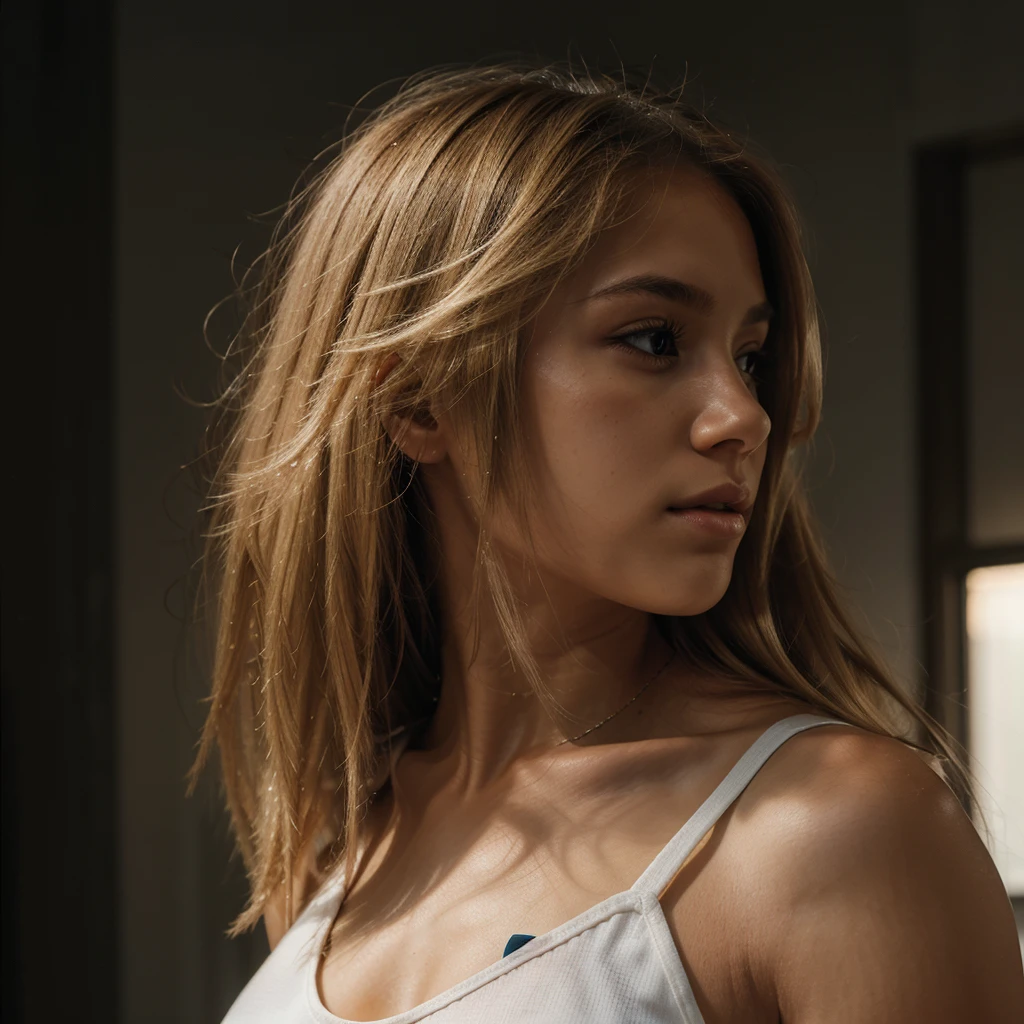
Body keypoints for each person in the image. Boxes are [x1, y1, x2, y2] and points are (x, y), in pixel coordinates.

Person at [192, 64, 1024, 1023]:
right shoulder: (348, 849)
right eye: (655, 339)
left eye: (750, 357)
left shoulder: (834, 832)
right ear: (419, 399)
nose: (742, 415)